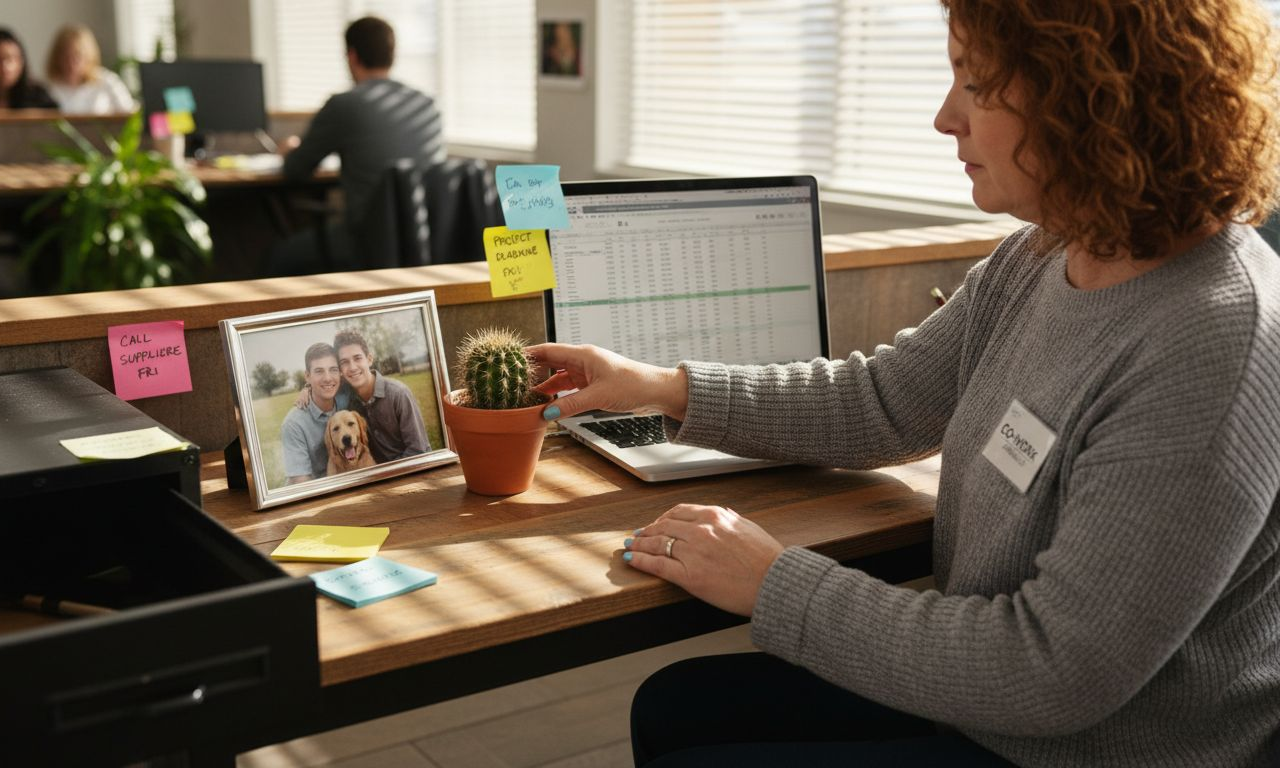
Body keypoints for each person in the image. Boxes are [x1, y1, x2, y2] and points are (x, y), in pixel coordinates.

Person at [528, 0, 1280, 765]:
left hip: (1086, 748)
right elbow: (880, 400)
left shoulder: (1212, 341)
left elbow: (1050, 672)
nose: (943, 117)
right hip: (991, 710)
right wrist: (660, 386)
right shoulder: (1045, 253)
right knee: (675, 704)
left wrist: (774, 582)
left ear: (1089, 96)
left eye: (975, 83)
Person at [271, 16, 446, 274]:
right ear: (392, 55)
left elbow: (296, 170)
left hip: (366, 240)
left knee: (275, 258)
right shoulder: (426, 105)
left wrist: (288, 150)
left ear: (352, 56)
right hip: (425, 238)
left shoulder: (343, 104)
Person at [333, 329, 430, 462]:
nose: (352, 367)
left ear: (369, 359)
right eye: (344, 362)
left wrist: (387, 475)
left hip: (412, 470)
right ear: (340, 370)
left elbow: (419, 450)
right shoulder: (347, 400)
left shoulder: (399, 394)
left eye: (357, 358)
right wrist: (308, 388)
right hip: (375, 473)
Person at [280, 343, 342, 485]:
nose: (328, 378)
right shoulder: (293, 425)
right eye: (319, 371)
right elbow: (301, 482)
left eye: (333, 370)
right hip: (314, 493)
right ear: (307, 376)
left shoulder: (345, 401)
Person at [44, 24, 135, 115]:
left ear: (89, 56)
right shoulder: (48, 89)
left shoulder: (108, 82)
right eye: (66, 56)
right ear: (56, 57)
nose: (71, 63)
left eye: (77, 56)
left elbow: (130, 115)